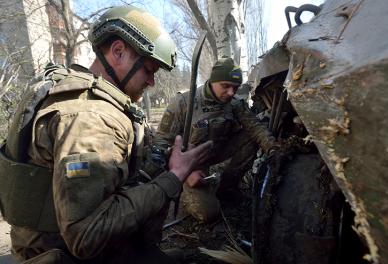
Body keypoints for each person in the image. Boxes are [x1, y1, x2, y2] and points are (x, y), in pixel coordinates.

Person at [0, 6, 212, 263]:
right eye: (148, 70)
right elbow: (85, 236)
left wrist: (167, 160)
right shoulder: (91, 118)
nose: (152, 82)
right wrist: (173, 178)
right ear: (118, 52)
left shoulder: (80, 91)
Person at [151, 58, 281, 223]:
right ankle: (185, 189)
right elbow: (161, 143)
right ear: (212, 81)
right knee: (208, 214)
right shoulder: (184, 103)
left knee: (251, 137)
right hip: (189, 163)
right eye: (225, 86)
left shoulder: (234, 104)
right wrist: (184, 172)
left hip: (217, 151)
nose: (231, 92)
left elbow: (255, 127)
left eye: (235, 87)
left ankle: (227, 187)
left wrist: (273, 148)